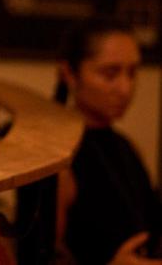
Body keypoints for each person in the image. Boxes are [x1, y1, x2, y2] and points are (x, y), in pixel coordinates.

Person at [56, 17, 161, 265]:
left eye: (132, 72)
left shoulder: (126, 145)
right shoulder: (60, 159)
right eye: (110, 73)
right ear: (70, 74)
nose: (126, 88)